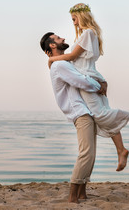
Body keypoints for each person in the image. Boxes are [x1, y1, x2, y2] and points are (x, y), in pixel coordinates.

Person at [48, 3, 129, 172]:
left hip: (88, 78)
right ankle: (121, 150)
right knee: (102, 114)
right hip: (91, 76)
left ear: (81, 17)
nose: (74, 23)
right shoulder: (88, 35)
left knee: (100, 114)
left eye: (74, 19)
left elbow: (74, 56)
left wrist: (51, 60)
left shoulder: (88, 33)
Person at [40, 32, 107, 203]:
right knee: (85, 154)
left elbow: (84, 75)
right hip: (80, 112)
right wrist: (99, 86)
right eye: (58, 38)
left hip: (86, 111)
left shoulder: (63, 63)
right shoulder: (59, 66)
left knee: (90, 154)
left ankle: (82, 193)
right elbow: (81, 81)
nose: (63, 38)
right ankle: (72, 197)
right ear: (52, 45)